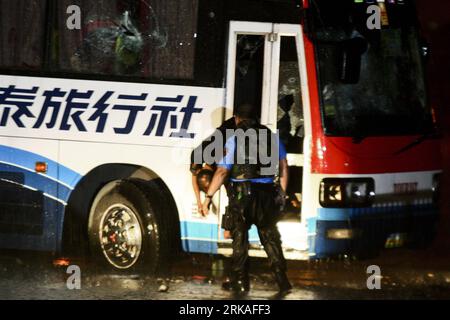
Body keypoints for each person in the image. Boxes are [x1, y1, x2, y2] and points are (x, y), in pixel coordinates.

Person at [201, 104, 292, 296]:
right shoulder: (272, 138)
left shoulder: (234, 139)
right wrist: (282, 194)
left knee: (240, 238)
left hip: (242, 195)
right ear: (257, 118)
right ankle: (282, 280)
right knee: (270, 237)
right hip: (266, 194)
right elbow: (283, 167)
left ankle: (241, 283)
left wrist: (208, 196)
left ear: (236, 119)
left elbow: (222, 171)